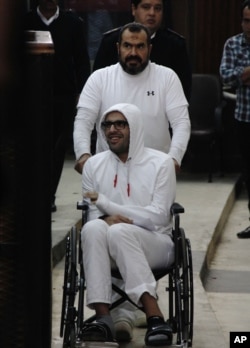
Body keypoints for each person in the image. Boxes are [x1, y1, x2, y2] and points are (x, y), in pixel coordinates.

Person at [80, 102, 176, 347]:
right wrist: (104, 218)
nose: (112, 129)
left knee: (121, 231)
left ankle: (154, 315)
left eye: (120, 124)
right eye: (107, 124)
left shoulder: (161, 164)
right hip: (109, 245)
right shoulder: (93, 165)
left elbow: (157, 218)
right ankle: (103, 318)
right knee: (92, 228)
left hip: (156, 243)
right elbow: (92, 217)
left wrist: (109, 206)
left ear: (135, 127)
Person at [74, 22, 190, 176]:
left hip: (156, 171)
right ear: (118, 48)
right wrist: (83, 154)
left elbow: (181, 122)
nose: (133, 52)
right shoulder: (99, 78)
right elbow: (83, 121)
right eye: (127, 46)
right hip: (108, 171)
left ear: (150, 49)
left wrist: (175, 157)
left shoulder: (167, 77)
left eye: (140, 46)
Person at [24, 0, 91, 212]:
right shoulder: (26, 21)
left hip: (62, 95)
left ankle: (48, 195)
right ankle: (31, 192)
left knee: (56, 147)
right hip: (30, 96)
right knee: (32, 145)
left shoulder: (73, 23)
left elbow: (81, 60)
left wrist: (83, 92)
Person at [93, 0, 192, 101]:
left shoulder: (175, 44)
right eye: (146, 7)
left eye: (157, 8)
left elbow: (183, 92)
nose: (152, 13)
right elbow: (97, 85)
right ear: (134, 9)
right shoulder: (111, 41)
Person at [220, 0, 250, 239]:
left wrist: (241, 75)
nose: (249, 25)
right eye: (246, 20)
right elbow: (226, 76)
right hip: (245, 118)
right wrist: (245, 74)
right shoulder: (233, 44)